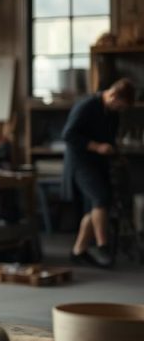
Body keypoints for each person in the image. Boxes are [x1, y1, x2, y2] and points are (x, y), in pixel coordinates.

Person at [62, 78, 135, 268]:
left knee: (95, 207)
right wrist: (96, 147)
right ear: (112, 95)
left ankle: (78, 250)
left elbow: (109, 139)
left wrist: (115, 152)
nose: (120, 109)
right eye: (120, 105)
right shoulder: (86, 106)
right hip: (80, 162)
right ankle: (103, 245)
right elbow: (68, 134)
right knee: (101, 198)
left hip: (98, 163)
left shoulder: (112, 114)